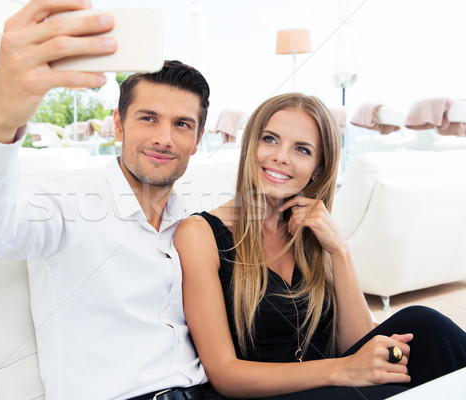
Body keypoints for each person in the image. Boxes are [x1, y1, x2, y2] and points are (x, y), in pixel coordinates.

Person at [0, 1, 211, 399]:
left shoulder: (192, 225)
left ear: (198, 140)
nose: (164, 138)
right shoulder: (66, 205)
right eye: (148, 118)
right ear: (118, 125)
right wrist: (0, 118)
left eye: (182, 125)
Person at [174, 93, 466, 400]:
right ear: (250, 146)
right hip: (255, 393)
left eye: (301, 149)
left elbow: (357, 342)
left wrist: (340, 251)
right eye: (270, 139)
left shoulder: (311, 230)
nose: (281, 156)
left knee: (425, 323)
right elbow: (224, 375)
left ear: (317, 167)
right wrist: (343, 369)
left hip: (327, 383)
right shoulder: (200, 233)